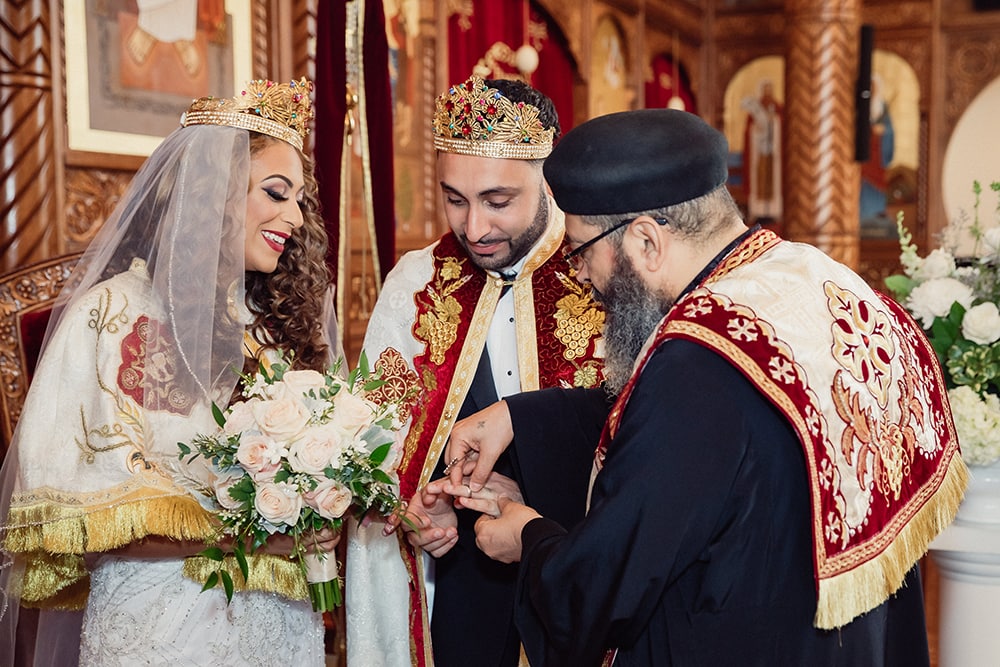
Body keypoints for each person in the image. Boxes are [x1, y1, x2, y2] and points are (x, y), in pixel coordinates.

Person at [446, 108, 968, 666]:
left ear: (646, 241)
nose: (580, 275)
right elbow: (730, 449)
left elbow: (604, 588)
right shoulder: (825, 281)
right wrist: (518, 419)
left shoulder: (699, 362)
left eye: (580, 251)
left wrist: (529, 539)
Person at [0, 77, 342, 666]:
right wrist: (254, 534)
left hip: (282, 624)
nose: (294, 215)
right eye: (277, 192)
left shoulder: (279, 324)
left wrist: (323, 507)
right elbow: (86, 509)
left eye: (299, 199)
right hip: (160, 625)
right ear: (216, 192)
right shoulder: (110, 318)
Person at [345, 76, 606, 667]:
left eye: (498, 201)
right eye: (455, 199)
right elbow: (374, 445)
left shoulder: (604, 273)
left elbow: (638, 438)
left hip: (573, 569)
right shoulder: (415, 283)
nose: (475, 229)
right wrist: (415, 510)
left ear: (549, 177)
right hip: (458, 583)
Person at [741, 79, 783, 224]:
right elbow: (749, 131)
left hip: (774, 153)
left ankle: (774, 211)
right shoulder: (755, 110)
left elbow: (783, 127)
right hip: (758, 152)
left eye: (769, 90)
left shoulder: (779, 109)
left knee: (774, 179)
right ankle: (758, 211)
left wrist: (774, 122)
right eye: (765, 90)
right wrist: (758, 128)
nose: (767, 94)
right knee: (758, 178)